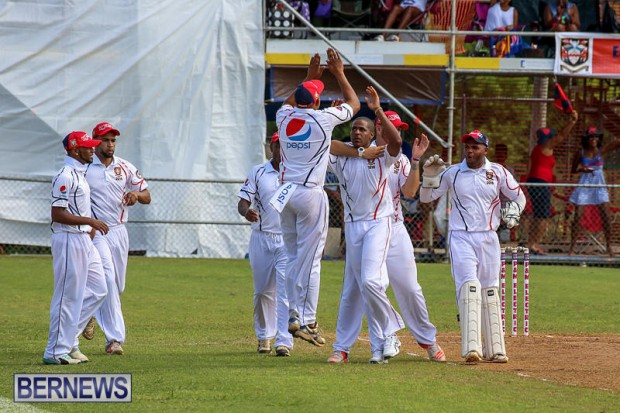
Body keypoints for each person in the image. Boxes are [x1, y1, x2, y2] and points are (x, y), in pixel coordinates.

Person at [327, 109, 446, 364]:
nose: (398, 131)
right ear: (378, 128)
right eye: (394, 127)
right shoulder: (355, 151)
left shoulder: (398, 158)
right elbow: (329, 145)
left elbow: (410, 192)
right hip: (364, 227)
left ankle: (427, 339)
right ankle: (348, 346)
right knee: (358, 288)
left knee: (409, 288)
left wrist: (416, 161)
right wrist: (359, 151)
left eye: (400, 128)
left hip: (393, 229)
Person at [273, 48, 360, 347]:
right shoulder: (323, 119)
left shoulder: (283, 116)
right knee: (310, 260)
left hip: (284, 192)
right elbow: (354, 104)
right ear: (317, 101)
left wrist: (308, 78)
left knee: (291, 256)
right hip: (310, 192)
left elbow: (290, 102)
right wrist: (340, 73)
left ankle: (300, 316)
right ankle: (300, 316)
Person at [420, 130, 526, 364]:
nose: (469, 151)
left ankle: (495, 348)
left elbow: (519, 197)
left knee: (490, 289)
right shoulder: (453, 172)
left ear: (485, 150)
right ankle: (471, 348)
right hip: (461, 237)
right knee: (469, 287)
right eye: (467, 146)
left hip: (489, 237)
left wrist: (515, 212)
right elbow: (426, 198)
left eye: (475, 147)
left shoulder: (497, 172)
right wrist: (428, 178)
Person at [326, 86, 406, 364]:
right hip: (353, 226)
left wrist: (378, 110)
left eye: (363, 129)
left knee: (371, 281)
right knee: (353, 290)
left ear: (372, 134)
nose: (357, 132)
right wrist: (333, 121)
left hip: (378, 223)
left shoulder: (382, 154)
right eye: (354, 128)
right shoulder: (344, 155)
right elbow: (324, 143)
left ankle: (390, 331)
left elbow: (397, 142)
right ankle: (346, 348)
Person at [82, 122, 151, 356]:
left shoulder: (124, 166)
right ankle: (114, 340)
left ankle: (89, 308)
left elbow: (147, 195)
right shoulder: (85, 167)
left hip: (120, 231)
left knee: (117, 285)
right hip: (96, 231)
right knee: (108, 279)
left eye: (113, 140)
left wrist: (136, 194)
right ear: (95, 142)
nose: (110, 144)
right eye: (105, 140)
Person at [43, 131, 109, 365]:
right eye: (87, 146)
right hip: (69, 239)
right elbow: (57, 214)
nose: (92, 149)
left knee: (99, 290)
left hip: (83, 239)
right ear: (73, 150)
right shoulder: (65, 175)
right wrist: (90, 221)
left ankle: (68, 340)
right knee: (67, 296)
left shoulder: (80, 174)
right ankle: (55, 352)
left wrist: (88, 227)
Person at [238, 131, 294, 357]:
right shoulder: (259, 171)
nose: (282, 150)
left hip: (287, 240)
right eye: (278, 145)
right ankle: (264, 337)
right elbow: (243, 202)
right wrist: (246, 212)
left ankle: (284, 340)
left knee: (284, 291)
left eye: (286, 146)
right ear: (272, 148)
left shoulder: (296, 172)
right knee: (262, 291)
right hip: (261, 238)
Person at [526, 110, 578, 255]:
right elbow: (561, 136)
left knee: (538, 215)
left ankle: (531, 244)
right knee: (543, 215)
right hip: (540, 183)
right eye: (551, 137)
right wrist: (572, 122)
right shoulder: (545, 147)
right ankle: (535, 244)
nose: (554, 138)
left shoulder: (538, 149)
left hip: (536, 182)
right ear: (547, 139)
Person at [568, 127, 620, 257]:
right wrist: (582, 170)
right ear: (586, 139)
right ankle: (572, 248)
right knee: (578, 216)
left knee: (606, 216)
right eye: (591, 137)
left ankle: (609, 247)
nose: (594, 139)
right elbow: (573, 170)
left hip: (599, 186)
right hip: (585, 186)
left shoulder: (602, 150)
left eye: (596, 136)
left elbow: (617, 143)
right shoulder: (580, 153)